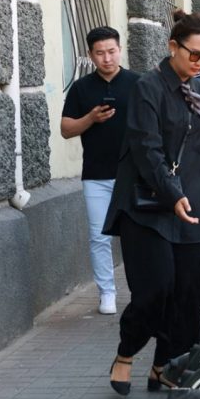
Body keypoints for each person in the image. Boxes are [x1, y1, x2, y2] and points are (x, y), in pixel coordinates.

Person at [102, 10, 200, 396]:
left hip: (189, 208)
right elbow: (147, 149)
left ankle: (166, 365)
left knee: (191, 293)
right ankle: (127, 352)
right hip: (148, 208)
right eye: (195, 55)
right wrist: (174, 194)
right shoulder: (148, 87)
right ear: (173, 47)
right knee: (155, 290)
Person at [61, 26, 141, 315]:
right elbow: (66, 129)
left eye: (111, 51)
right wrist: (91, 118)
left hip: (134, 174)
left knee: (136, 236)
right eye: (100, 53)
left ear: (120, 50)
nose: (107, 58)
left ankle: (140, 290)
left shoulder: (139, 83)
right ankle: (107, 292)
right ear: (90, 55)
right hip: (96, 174)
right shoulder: (81, 88)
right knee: (99, 236)